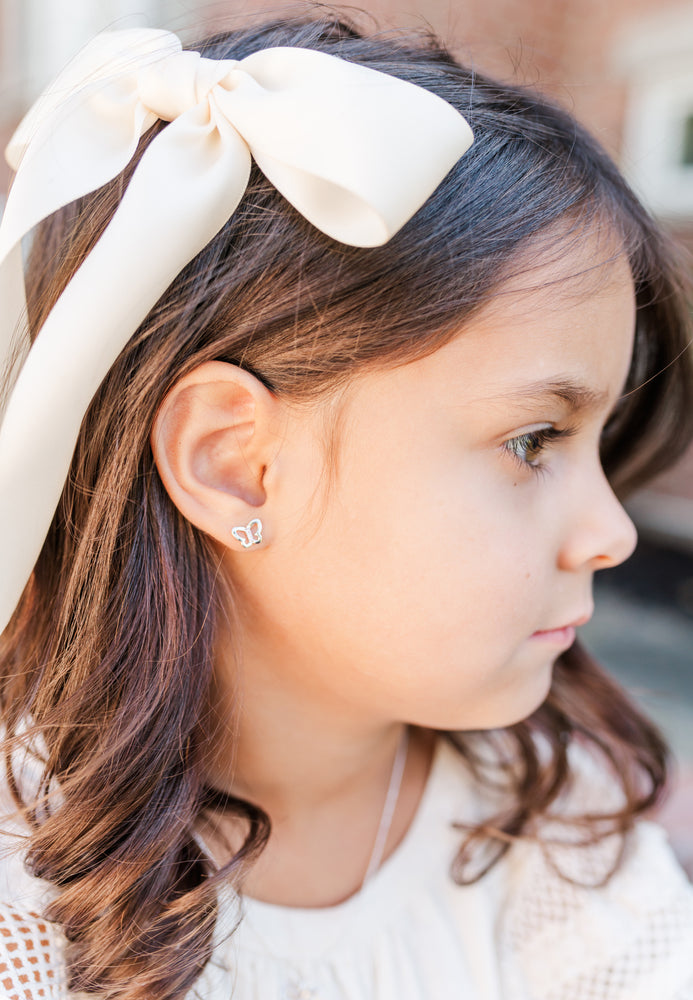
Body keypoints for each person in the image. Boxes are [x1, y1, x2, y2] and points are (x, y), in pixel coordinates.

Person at [0, 9, 692, 1000]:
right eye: (534, 440)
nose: (613, 531)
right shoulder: (23, 903)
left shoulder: (551, 828)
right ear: (235, 462)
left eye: (599, 445)